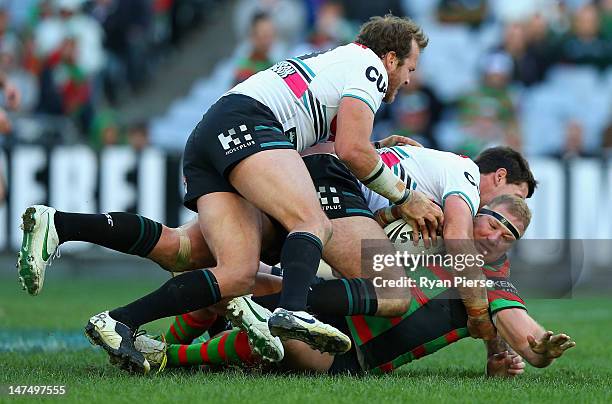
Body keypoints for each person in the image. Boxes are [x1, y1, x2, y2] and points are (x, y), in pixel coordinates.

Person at [19, 15, 444, 355]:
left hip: (215, 133)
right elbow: (352, 151)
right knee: (312, 222)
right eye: (410, 66)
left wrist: (374, 145)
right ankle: (293, 311)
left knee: (213, 264)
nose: (409, 79)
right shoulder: (369, 67)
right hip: (248, 127)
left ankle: (85, 265)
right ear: (390, 58)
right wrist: (407, 198)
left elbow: (335, 143)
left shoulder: (336, 61)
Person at [132, 195, 575, 376]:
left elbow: (525, 336)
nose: (495, 236)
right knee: (237, 281)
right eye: (493, 222)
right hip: (338, 302)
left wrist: (541, 347)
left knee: (280, 339)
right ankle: (157, 342)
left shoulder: (494, 285)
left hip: (351, 351)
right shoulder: (433, 230)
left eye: (508, 236)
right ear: (475, 215)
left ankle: (167, 358)